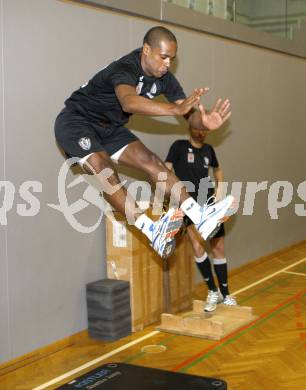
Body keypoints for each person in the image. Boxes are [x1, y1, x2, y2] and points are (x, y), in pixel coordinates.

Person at [54, 26, 234, 259]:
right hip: (77, 122)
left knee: (152, 162)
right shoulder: (125, 68)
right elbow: (129, 102)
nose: (168, 64)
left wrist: (203, 121)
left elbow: (187, 112)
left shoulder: (165, 79)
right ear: (146, 49)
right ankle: (151, 230)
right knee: (104, 168)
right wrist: (174, 109)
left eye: (172, 58)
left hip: (110, 128)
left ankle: (200, 217)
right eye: (164, 57)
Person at [165, 125, 237, 311]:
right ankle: (213, 291)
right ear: (191, 128)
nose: (202, 132)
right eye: (199, 129)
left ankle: (226, 293)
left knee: (218, 246)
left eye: (205, 130)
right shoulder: (178, 146)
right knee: (197, 246)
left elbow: (218, 170)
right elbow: (166, 170)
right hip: (188, 203)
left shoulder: (208, 150)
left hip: (209, 201)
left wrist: (220, 188)